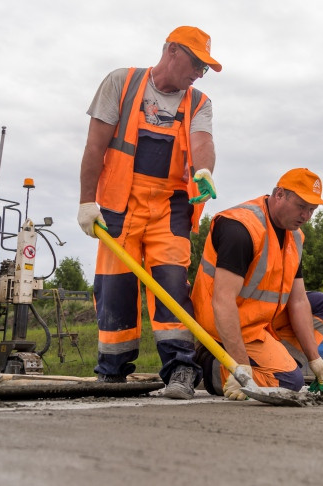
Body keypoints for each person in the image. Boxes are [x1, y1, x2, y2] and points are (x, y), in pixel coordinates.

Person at [77, 26, 222, 399]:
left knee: (172, 287)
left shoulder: (198, 102)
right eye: (196, 63)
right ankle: (111, 372)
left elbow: (202, 141)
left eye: (205, 68)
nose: (199, 73)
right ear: (172, 51)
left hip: (170, 208)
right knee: (114, 288)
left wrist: (203, 171)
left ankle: (181, 372)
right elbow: (95, 147)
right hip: (118, 204)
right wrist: (85, 201)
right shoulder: (121, 84)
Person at [191, 168, 323, 400]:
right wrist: (240, 366)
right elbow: (222, 301)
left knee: (322, 305)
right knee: (290, 382)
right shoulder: (241, 228)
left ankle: (267, 363)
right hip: (222, 322)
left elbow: (298, 300)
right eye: (301, 206)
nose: (306, 216)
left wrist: (314, 358)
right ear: (279, 194)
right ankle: (210, 365)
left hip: (259, 320)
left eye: (312, 210)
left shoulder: (295, 237)